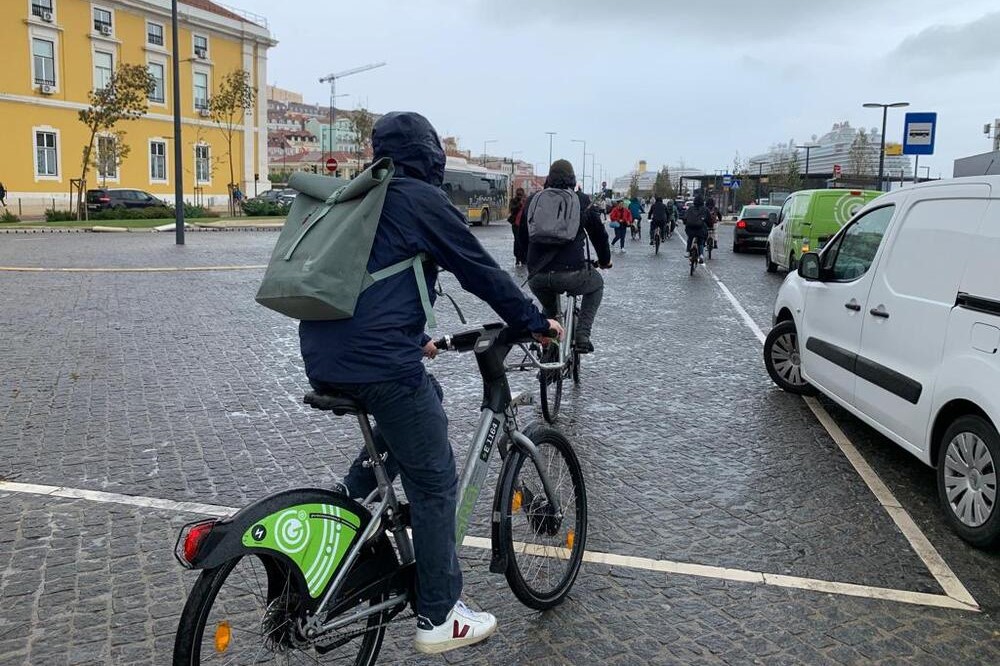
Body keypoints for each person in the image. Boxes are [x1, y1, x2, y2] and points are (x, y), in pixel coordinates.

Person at [300, 112, 562, 655]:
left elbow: (373, 276)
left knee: (429, 399)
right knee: (436, 480)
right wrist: (534, 321)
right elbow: (479, 270)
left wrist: (410, 334)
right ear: (430, 157)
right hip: (378, 362)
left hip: (325, 354)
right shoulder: (419, 197)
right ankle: (440, 616)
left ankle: (353, 502)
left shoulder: (363, 197)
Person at [518, 159, 611, 353]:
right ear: (572, 178)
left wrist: (528, 261)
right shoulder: (581, 201)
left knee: (549, 309)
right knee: (596, 285)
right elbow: (599, 235)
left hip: (537, 275)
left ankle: (548, 343)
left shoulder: (534, 200)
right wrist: (604, 261)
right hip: (572, 274)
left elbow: (522, 237)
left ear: (549, 178)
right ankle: (583, 335)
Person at [684, 195, 710, 263]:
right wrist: (709, 225)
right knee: (700, 242)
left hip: (690, 229)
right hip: (700, 229)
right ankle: (701, 255)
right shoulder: (705, 209)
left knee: (690, 239)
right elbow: (709, 219)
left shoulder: (690, 208)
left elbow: (685, 217)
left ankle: (687, 251)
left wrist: (685, 223)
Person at [508, 187, 527, 267]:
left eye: (521, 194)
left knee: (524, 241)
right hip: (516, 224)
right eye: (518, 194)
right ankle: (517, 258)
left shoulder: (526, 201)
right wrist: (519, 204)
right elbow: (512, 209)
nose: (519, 196)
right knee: (517, 240)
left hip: (524, 224)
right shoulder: (513, 201)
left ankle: (523, 258)